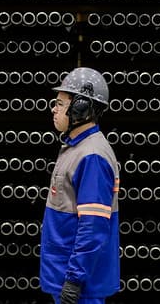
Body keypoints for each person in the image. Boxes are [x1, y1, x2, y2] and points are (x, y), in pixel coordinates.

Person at [40, 67, 120, 304]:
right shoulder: (76, 147)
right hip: (65, 274)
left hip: (81, 285)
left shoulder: (92, 155)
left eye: (60, 103)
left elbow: (93, 227)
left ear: (81, 107)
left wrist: (74, 281)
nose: (54, 108)